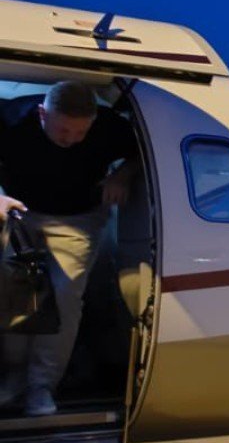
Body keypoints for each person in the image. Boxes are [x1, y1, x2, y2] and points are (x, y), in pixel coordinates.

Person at [0, 82, 139, 416]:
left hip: (78, 219)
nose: (71, 139)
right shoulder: (11, 120)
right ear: (42, 114)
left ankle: (41, 386)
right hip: (21, 212)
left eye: (80, 132)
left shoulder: (106, 126)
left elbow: (140, 149)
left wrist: (122, 174)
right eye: (63, 129)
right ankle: (14, 377)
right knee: (18, 293)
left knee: (65, 295)